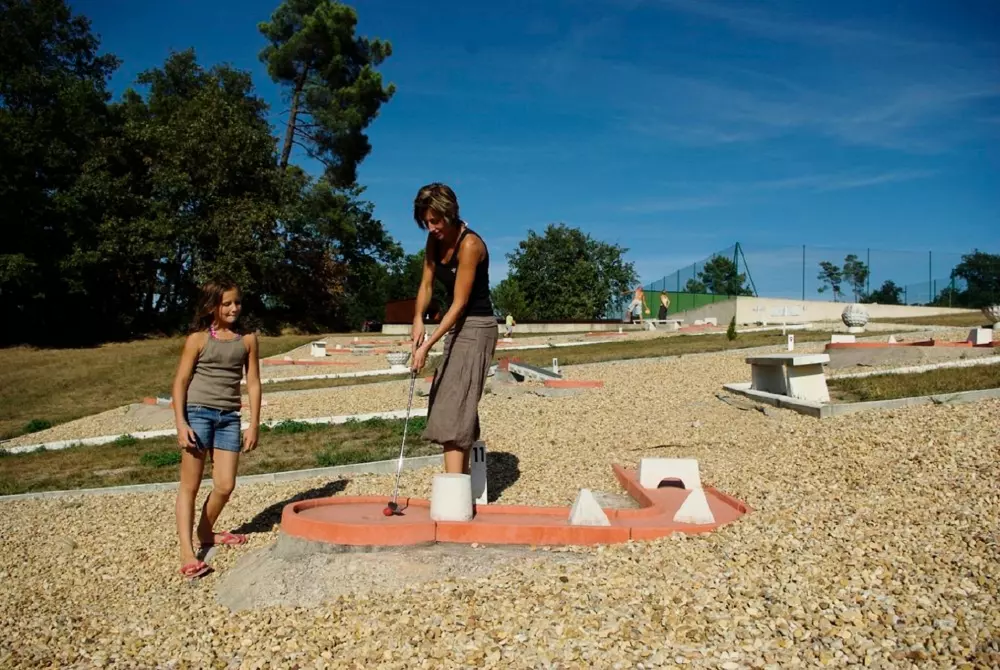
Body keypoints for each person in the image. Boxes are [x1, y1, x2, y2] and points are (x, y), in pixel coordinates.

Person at [171, 280, 261, 580]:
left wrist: (254, 423)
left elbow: (253, 383)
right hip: (197, 414)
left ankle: (205, 531)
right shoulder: (197, 340)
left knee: (225, 485)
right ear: (213, 307)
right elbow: (180, 383)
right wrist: (181, 424)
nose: (234, 308)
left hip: (229, 418)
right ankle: (187, 551)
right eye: (227, 304)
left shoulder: (247, 339)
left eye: (237, 302)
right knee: (190, 485)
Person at [409, 183, 498, 476]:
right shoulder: (434, 243)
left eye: (435, 220)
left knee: (454, 404)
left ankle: (454, 487)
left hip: (477, 326)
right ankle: (465, 481)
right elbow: (426, 284)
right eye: (426, 222)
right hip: (456, 326)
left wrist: (426, 346)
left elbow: (459, 304)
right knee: (446, 398)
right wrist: (418, 319)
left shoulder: (470, 245)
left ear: (450, 212)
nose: (431, 227)